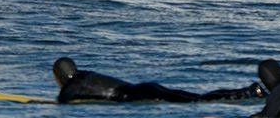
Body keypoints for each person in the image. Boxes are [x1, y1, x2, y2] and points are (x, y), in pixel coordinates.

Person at [52, 57, 265, 104]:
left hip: (136, 95)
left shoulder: (72, 86)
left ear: (60, 76)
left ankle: (247, 92)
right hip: (146, 87)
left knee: (197, 101)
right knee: (196, 98)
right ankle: (248, 91)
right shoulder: (86, 73)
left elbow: (64, 99)